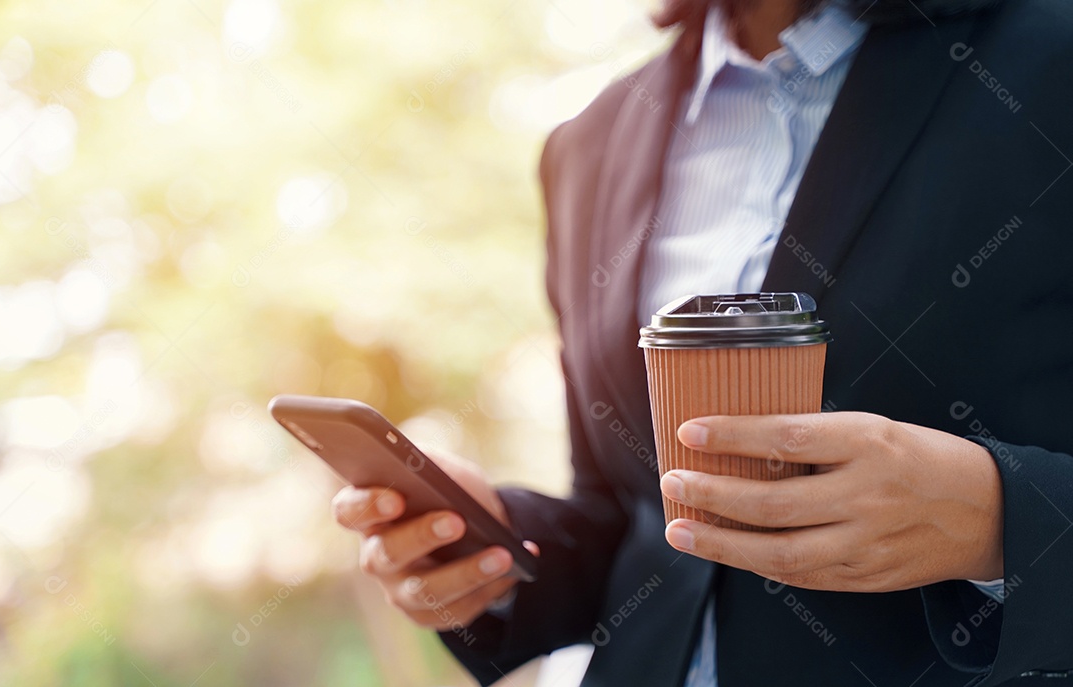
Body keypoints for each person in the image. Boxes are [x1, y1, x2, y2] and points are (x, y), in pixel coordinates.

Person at [332, 0, 1073, 683]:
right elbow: (631, 513)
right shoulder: (588, 144)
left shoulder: (1045, 59)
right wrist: (490, 544)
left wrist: (996, 522)